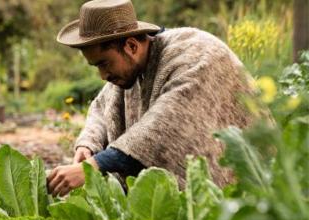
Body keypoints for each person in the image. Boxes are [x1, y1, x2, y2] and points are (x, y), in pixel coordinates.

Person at [46, 0, 255, 196]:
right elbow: (102, 108)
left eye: (104, 64)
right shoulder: (132, 66)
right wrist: (88, 146)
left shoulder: (196, 55)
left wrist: (93, 166)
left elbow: (165, 127)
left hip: (248, 189)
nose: (103, 76)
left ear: (132, 46)